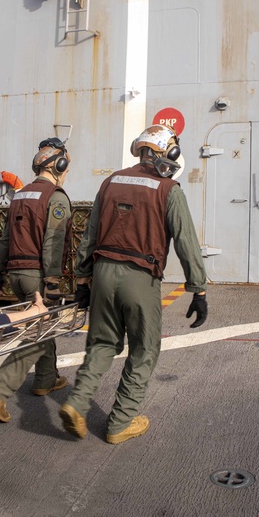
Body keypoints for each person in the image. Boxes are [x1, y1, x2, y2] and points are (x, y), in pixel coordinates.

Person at [59, 125, 209, 445]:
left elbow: (90, 235)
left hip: (102, 271)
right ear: (162, 152)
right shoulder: (169, 189)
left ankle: (77, 401)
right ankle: (120, 422)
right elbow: (186, 243)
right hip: (139, 277)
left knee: (102, 343)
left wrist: (83, 279)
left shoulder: (111, 181)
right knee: (144, 348)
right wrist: (198, 288)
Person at [0, 138, 73, 423]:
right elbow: (53, 244)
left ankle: (46, 379)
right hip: (38, 274)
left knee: (44, 325)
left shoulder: (19, 195)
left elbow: (6, 239)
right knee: (36, 332)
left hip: (16, 274)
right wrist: (53, 282)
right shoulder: (55, 196)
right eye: (66, 166)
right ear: (59, 165)